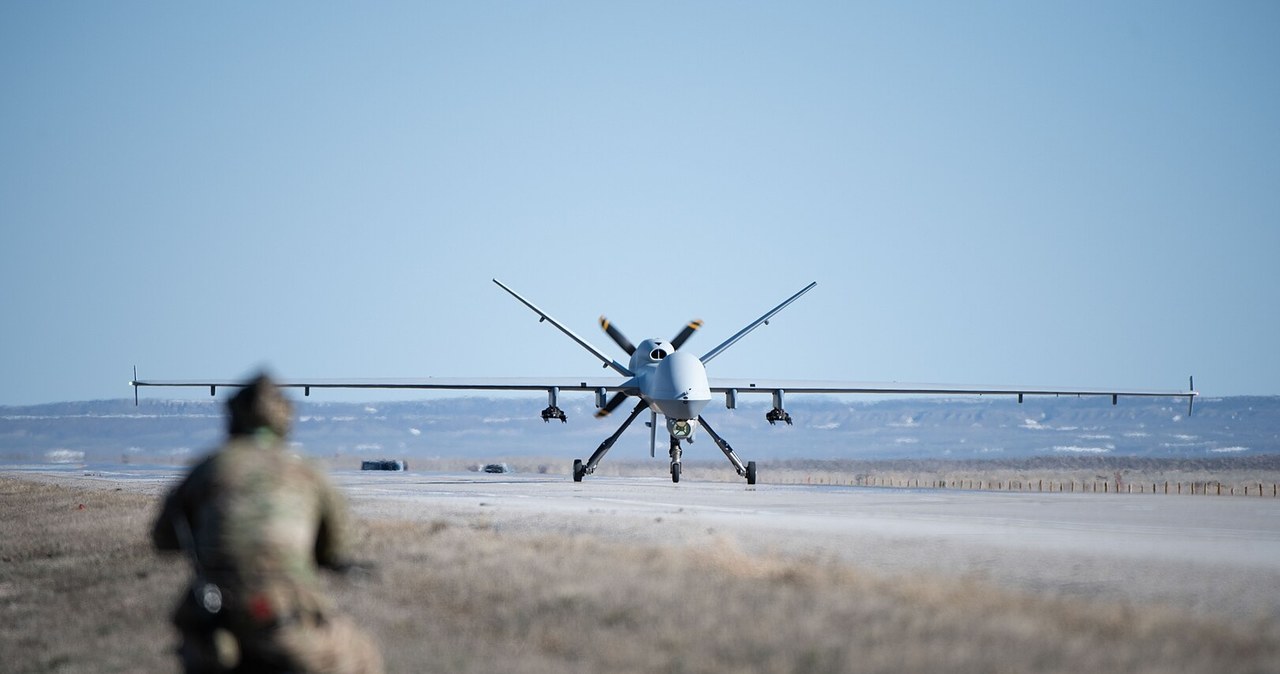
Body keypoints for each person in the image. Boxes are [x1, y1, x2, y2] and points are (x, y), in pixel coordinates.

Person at [152, 373, 384, 674]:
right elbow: (335, 549)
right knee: (364, 658)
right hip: (287, 614)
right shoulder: (306, 471)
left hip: (218, 617)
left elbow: (163, 538)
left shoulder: (209, 467)